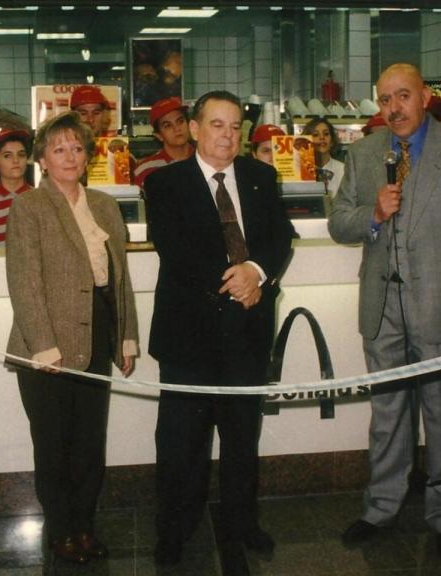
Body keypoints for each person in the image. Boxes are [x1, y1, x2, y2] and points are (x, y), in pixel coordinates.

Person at [327, 63, 441, 561]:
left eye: (403, 97)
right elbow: (339, 222)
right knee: (387, 414)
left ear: (424, 97)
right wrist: (374, 216)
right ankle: (380, 507)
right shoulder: (363, 153)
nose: (394, 109)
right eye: (385, 100)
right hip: (381, 305)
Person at [145, 90, 295, 573]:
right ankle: (173, 532)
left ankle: (241, 524)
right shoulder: (165, 183)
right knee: (180, 445)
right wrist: (238, 281)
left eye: (234, 127)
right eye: (216, 125)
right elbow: (176, 249)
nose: (227, 136)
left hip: (247, 334)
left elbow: (279, 239)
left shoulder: (260, 176)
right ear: (194, 128)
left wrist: (257, 270)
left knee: (240, 440)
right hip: (189, 336)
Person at [5, 112, 139, 565]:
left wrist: (126, 337)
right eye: (58, 149)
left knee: (88, 441)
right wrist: (44, 344)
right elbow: (24, 283)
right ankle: (60, 530)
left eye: (77, 148)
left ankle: (84, 526)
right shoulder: (28, 207)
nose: (70, 156)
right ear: (41, 159)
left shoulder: (104, 204)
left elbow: (119, 279)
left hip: (98, 329)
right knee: (54, 443)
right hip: (45, 340)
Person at [133, 96, 194, 190]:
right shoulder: (145, 170)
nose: (177, 128)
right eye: (168, 126)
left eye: (180, 121)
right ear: (159, 136)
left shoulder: (205, 160)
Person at [302, 117, 345, 196]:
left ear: (332, 140)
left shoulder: (344, 170)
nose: (322, 137)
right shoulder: (300, 172)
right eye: (315, 135)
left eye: (326, 134)